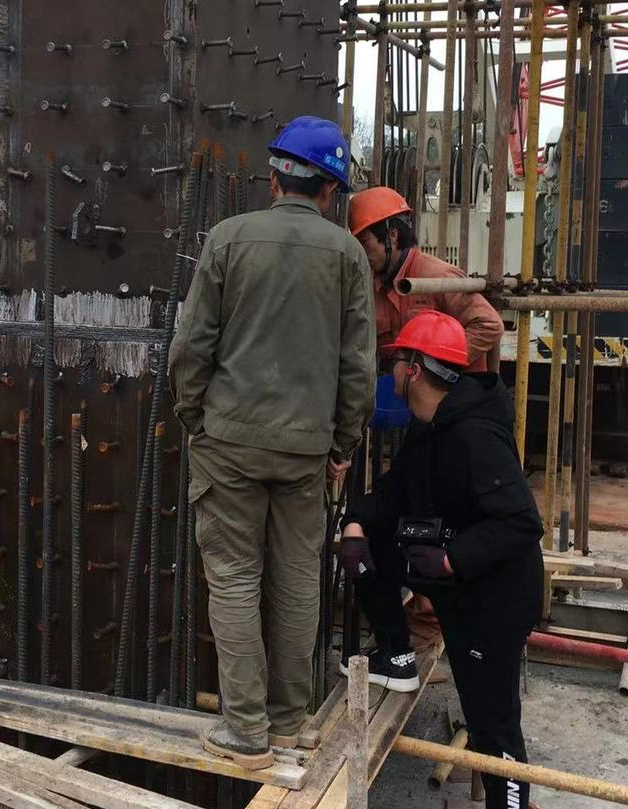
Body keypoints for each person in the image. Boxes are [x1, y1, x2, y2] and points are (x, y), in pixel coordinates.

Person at [169, 115, 376, 771]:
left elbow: (191, 347)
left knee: (234, 578)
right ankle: (289, 722)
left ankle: (246, 729)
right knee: (296, 581)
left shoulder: (228, 239)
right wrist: (341, 443)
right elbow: (358, 367)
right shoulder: (347, 255)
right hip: (305, 448)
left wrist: (196, 418)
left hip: (229, 440)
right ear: (330, 191)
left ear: (274, 178)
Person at [339, 311, 543, 809]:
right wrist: (356, 523)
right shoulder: (429, 428)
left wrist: (452, 560)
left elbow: (521, 521)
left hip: (494, 601)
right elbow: (394, 491)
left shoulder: (475, 436)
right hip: (458, 585)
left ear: (413, 370)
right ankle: (397, 654)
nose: (390, 370)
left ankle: (509, 803)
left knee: (491, 724)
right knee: (369, 546)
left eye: (396, 361)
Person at [348, 186, 503, 372]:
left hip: (452, 388)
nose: (361, 253)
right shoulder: (372, 286)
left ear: (392, 235)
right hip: (401, 386)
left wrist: (440, 368)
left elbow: (489, 325)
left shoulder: (437, 277)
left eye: (365, 243)